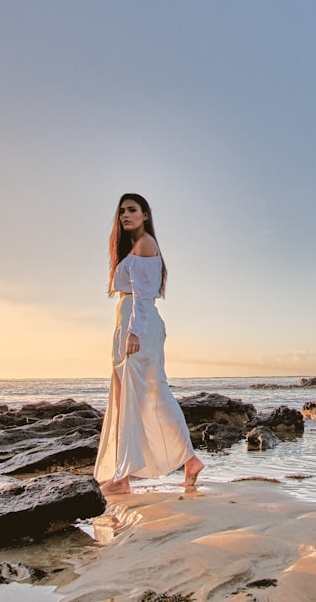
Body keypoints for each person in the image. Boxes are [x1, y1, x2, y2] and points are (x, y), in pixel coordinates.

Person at [94, 193, 204, 495]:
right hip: (127, 322)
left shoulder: (145, 245)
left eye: (132, 210)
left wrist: (134, 332)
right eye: (121, 212)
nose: (125, 215)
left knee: (152, 392)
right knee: (124, 395)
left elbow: (143, 296)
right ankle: (128, 472)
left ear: (145, 215)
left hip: (137, 325)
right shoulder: (132, 249)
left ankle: (129, 474)